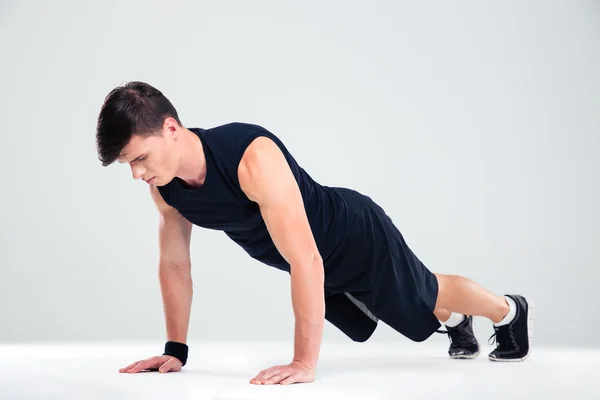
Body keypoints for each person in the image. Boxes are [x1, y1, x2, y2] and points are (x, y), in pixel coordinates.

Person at [96, 81, 533, 385]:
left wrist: (304, 362)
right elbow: (174, 265)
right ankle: (458, 323)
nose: (137, 173)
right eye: (128, 165)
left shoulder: (251, 157)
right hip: (309, 259)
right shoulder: (166, 189)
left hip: (355, 239)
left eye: (140, 158)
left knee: (428, 291)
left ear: (170, 128)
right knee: (409, 314)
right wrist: (177, 349)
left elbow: (306, 259)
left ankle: (508, 311)